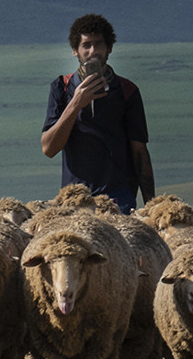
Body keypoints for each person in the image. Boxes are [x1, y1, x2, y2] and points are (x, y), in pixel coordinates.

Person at [40, 14, 153, 213]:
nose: (93, 51)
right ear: (75, 50)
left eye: (98, 44)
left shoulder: (127, 90)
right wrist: (75, 103)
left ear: (109, 48)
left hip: (118, 198)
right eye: (86, 45)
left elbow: (139, 152)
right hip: (74, 199)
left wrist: (151, 206)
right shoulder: (62, 87)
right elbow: (49, 148)